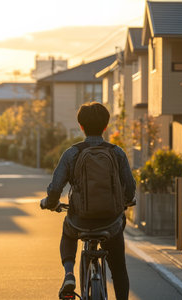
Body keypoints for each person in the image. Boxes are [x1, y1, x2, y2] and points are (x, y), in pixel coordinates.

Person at [40, 102, 136, 300]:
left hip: (79, 221)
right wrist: (125, 201)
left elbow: (56, 188)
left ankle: (69, 275)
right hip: (111, 223)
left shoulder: (72, 153)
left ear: (81, 126)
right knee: (119, 269)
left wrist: (50, 203)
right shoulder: (117, 153)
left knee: (68, 233)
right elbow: (130, 186)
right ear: (105, 126)